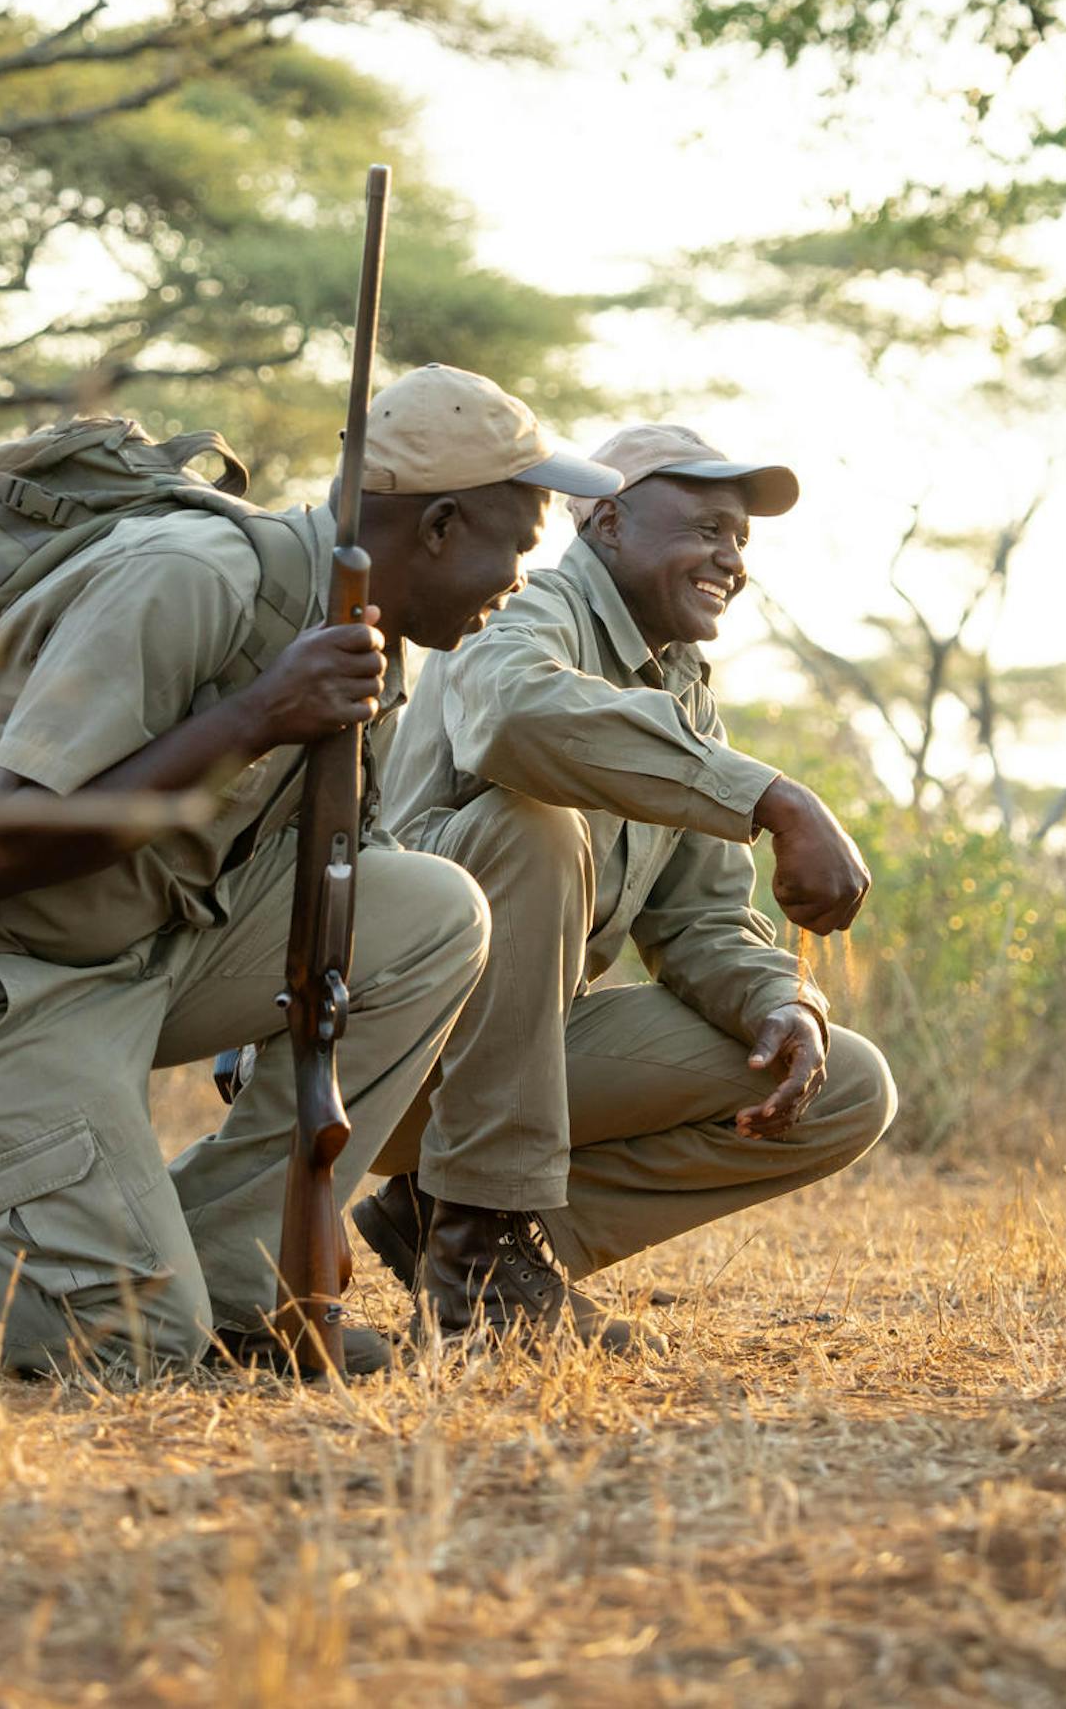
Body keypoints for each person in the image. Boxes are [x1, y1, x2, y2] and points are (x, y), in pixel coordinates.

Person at [0, 364, 622, 1377]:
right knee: (129, 1337)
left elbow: (322, 867)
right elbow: (7, 844)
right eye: (521, 544)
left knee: (433, 912)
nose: (521, 583)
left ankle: (236, 1287)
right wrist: (262, 714)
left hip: (116, 950)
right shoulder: (190, 575)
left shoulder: (361, 635)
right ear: (441, 526)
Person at [348, 422, 898, 1347]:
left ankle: (471, 1238)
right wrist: (773, 797)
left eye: (741, 541)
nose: (730, 558)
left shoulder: (683, 686)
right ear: (607, 522)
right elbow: (515, 716)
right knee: (533, 825)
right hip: (376, 1045)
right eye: (707, 529)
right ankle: (476, 1255)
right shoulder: (520, 609)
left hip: (507, 1067)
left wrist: (781, 1004)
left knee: (844, 1082)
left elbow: (701, 921)